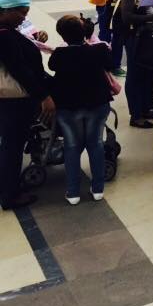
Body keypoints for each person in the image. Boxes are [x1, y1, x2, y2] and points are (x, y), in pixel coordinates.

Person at [48, 15, 114, 205]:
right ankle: (98, 189)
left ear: (62, 35)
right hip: (97, 103)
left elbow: (52, 66)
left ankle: (73, 191)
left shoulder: (59, 54)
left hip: (68, 107)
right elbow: (110, 64)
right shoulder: (99, 50)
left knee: (71, 146)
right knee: (95, 144)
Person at [0, 0, 56, 210]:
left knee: (9, 144)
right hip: (15, 99)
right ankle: (10, 195)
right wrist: (45, 96)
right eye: (21, 13)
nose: (24, 18)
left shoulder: (8, 30)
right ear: (7, 11)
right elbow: (21, 71)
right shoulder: (4, 35)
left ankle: (7, 186)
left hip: (11, 100)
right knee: (12, 146)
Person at [117, 0, 153, 128]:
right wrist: (151, 17)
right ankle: (136, 115)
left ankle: (147, 107)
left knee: (148, 74)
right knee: (135, 76)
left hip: (147, 37)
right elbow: (126, 17)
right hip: (135, 38)